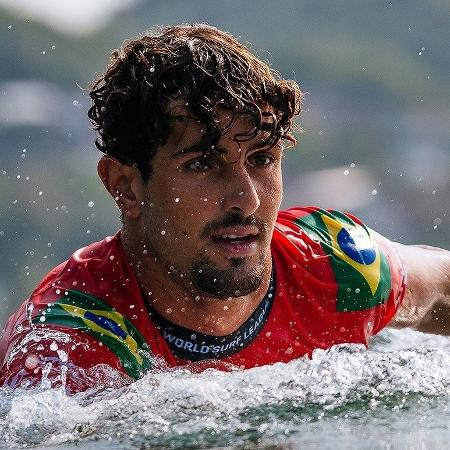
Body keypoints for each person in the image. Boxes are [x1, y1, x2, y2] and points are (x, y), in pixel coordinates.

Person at [0, 24, 448, 394]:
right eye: (202, 164)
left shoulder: (338, 269)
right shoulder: (64, 353)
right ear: (126, 186)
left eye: (261, 159)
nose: (247, 200)